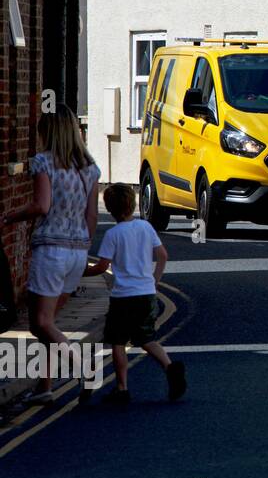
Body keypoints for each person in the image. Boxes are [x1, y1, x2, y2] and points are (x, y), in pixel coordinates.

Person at [0, 105, 100, 404]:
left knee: (41, 324)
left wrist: (9, 217)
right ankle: (44, 387)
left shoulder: (43, 163)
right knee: (50, 323)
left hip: (50, 251)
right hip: (77, 251)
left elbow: (41, 206)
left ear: (49, 133)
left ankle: (84, 367)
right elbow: (92, 215)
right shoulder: (90, 168)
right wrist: (83, 246)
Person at [85, 183, 185, 404]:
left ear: (109, 209)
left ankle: (122, 388)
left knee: (118, 341)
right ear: (133, 204)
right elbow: (163, 256)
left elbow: (102, 267)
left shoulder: (113, 234)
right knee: (146, 338)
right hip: (146, 294)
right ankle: (170, 368)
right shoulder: (145, 227)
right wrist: (155, 281)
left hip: (123, 297)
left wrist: (80, 273)